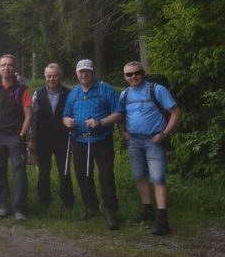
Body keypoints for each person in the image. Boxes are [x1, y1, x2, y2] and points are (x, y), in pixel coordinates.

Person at [118, 61, 181, 235]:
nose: (133, 77)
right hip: (134, 141)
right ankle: (147, 210)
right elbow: (120, 114)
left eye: (137, 73)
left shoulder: (157, 90)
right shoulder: (125, 94)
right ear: (124, 77)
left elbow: (175, 112)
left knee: (158, 179)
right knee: (139, 176)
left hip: (154, 141)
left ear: (143, 73)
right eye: (129, 74)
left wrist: (164, 134)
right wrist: (122, 131)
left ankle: (162, 219)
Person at [63, 59, 122, 230]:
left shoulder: (105, 89)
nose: (84, 74)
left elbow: (118, 112)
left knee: (106, 176)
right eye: (81, 71)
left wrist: (101, 122)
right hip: (79, 140)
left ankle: (111, 210)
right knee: (82, 175)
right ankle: (91, 207)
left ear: (93, 71)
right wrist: (67, 121)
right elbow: (66, 115)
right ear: (77, 73)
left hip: (101, 139)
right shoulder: (73, 94)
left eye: (87, 71)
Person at [0, 54, 32, 221]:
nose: (6, 68)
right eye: (3, 65)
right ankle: (4, 206)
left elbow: (28, 115)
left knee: (19, 173)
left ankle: (20, 209)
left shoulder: (22, 89)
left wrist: (21, 134)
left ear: (14, 68)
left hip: (14, 137)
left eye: (10, 65)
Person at [28, 63, 74, 210]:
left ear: (60, 76)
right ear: (45, 77)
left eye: (55, 76)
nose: (52, 79)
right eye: (49, 76)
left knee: (64, 171)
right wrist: (32, 139)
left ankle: (67, 203)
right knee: (43, 172)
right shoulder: (38, 94)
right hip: (43, 140)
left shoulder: (69, 93)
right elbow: (33, 118)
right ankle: (43, 202)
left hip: (63, 139)